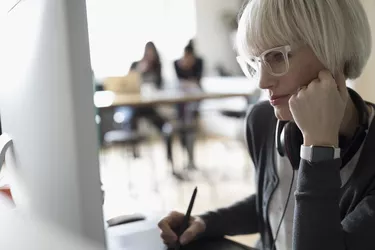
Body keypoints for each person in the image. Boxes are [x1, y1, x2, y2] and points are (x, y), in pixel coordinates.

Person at [158, 1, 375, 250]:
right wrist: (207, 223)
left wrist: (318, 149)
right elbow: (276, 204)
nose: (262, 82)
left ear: (333, 50)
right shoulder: (264, 121)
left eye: (276, 56)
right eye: (254, 62)